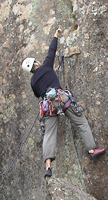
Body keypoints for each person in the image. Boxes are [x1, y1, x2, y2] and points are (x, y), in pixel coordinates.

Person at [22, 28, 106, 178]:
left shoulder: (33, 81)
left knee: (49, 135)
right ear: (35, 64)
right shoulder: (46, 66)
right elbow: (51, 50)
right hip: (61, 98)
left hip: (48, 106)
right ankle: (92, 150)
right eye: (36, 61)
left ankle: (48, 166)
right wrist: (56, 34)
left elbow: (37, 95)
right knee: (81, 122)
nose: (38, 61)